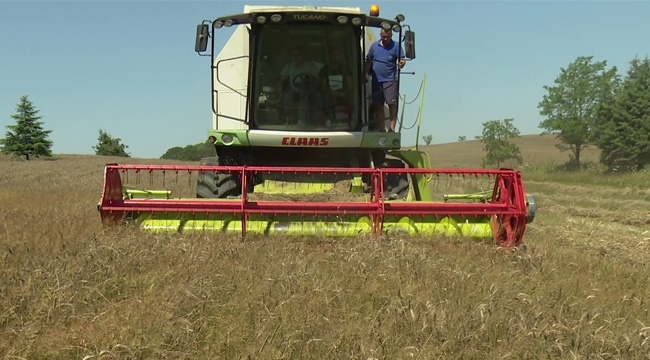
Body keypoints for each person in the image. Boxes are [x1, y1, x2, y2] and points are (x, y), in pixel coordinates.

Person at [364, 28, 406, 132]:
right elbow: (368, 61)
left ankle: (391, 129)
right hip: (376, 81)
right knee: (378, 105)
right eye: (383, 36)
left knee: (392, 104)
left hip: (390, 80)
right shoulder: (374, 46)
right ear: (380, 34)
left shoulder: (396, 46)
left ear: (391, 35)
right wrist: (363, 74)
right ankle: (382, 129)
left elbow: (402, 59)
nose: (385, 38)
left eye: (387, 36)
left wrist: (402, 63)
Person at [278, 45, 324, 126]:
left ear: (303, 55)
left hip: (309, 90)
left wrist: (313, 86)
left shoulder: (311, 65)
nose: (296, 57)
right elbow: (282, 79)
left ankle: (303, 120)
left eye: (298, 55)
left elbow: (318, 78)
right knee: (286, 96)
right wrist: (279, 88)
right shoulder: (289, 66)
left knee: (308, 95)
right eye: (294, 55)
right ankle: (289, 118)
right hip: (294, 91)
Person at [319, 46, 353, 125]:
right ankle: (328, 120)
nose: (335, 57)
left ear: (340, 56)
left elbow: (350, 85)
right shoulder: (324, 70)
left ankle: (348, 121)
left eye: (337, 55)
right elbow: (323, 85)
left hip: (344, 93)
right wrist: (332, 92)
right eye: (333, 55)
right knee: (325, 98)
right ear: (330, 56)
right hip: (329, 94)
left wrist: (344, 93)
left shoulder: (346, 69)